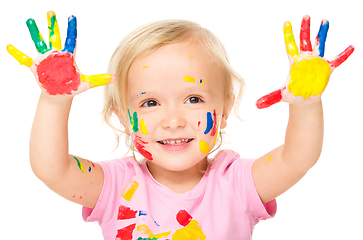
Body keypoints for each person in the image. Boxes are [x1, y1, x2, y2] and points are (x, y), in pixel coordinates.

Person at [6, 11, 354, 240]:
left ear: (225, 107)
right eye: (150, 103)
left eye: (193, 99)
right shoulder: (114, 186)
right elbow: (50, 168)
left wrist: (308, 103)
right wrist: (55, 100)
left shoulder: (237, 184)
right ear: (121, 117)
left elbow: (297, 158)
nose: (173, 121)